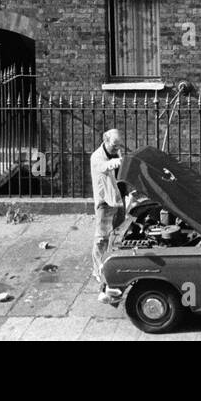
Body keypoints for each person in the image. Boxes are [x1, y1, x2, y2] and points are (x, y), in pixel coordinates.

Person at [90, 129, 131, 304]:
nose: (117, 149)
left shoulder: (116, 152)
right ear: (105, 141)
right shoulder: (97, 157)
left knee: (118, 234)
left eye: (118, 146)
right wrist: (121, 160)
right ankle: (99, 271)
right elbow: (106, 167)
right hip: (105, 203)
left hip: (118, 200)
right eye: (114, 146)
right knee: (101, 239)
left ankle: (114, 266)